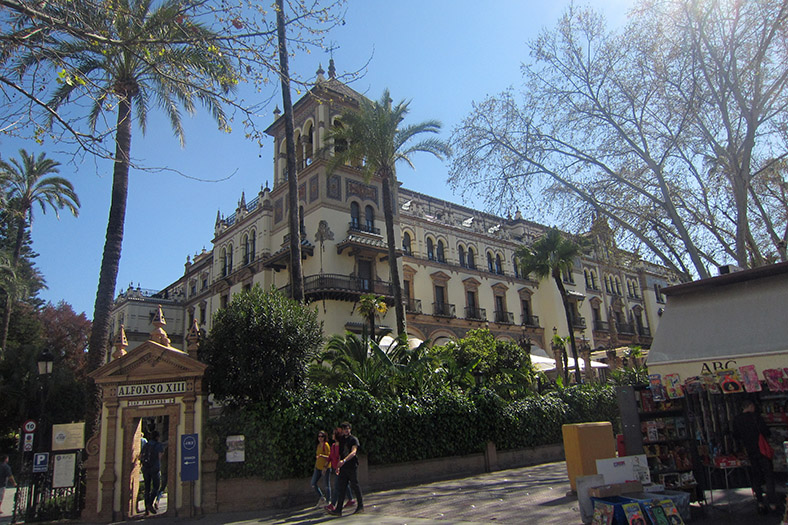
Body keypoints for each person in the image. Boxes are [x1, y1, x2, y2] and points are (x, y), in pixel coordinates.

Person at [733, 399, 776, 514]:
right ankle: (772, 503)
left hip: (750, 451)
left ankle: (760, 502)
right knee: (768, 475)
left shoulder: (737, 420)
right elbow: (766, 432)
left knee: (756, 476)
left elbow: (736, 435)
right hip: (762, 450)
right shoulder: (756, 417)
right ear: (751, 406)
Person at [326, 421, 363, 517]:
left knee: (355, 485)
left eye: (348, 428)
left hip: (351, 466)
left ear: (350, 429)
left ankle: (360, 506)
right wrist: (338, 465)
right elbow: (340, 453)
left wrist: (344, 461)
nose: (346, 430)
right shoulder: (342, 440)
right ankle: (338, 510)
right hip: (343, 467)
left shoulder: (353, 439)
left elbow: (353, 452)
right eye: (344, 429)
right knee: (341, 488)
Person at [325, 427, 354, 512]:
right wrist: (326, 465)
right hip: (335, 467)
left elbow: (340, 456)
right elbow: (331, 456)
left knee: (337, 486)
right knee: (344, 485)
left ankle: (333, 504)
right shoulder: (333, 445)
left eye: (334, 434)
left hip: (340, 468)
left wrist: (339, 466)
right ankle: (351, 499)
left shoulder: (341, 445)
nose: (332, 435)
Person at [141, 431, 165, 516]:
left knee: (147, 488)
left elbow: (141, 455)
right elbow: (159, 456)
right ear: (157, 437)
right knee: (156, 486)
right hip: (154, 468)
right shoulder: (158, 445)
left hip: (145, 468)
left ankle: (146, 509)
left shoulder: (146, 445)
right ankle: (150, 503)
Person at [311, 430, 331, 507]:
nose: (320, 438)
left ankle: (328, 501)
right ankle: (321, 497)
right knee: (313, 483)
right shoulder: (318, 445)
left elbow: (329, 457)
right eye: (319, 436)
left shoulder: (326, 445)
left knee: (326, 484)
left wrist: (325, 467)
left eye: (322, 436)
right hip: (318, 467)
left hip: (325, 467)